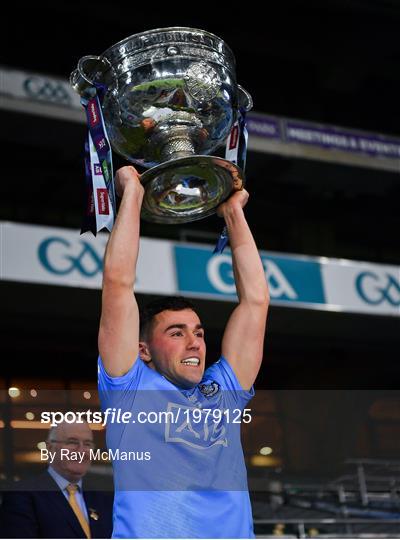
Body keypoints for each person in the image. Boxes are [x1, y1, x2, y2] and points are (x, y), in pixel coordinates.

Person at [97, 166, 269, 538]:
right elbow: (118, 283)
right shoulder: (128, 389)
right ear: (142, 349)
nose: (195, 343)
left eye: (199, 332)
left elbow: (255, 301)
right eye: (177, 333)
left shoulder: (223, 391)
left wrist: (233, 213)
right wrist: (134, 194)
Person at [0, 421, 113, 538]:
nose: (81, 451)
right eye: (72, 442)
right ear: (50, 448)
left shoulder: (103, 496)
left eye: (87, 444)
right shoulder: (22, 495)